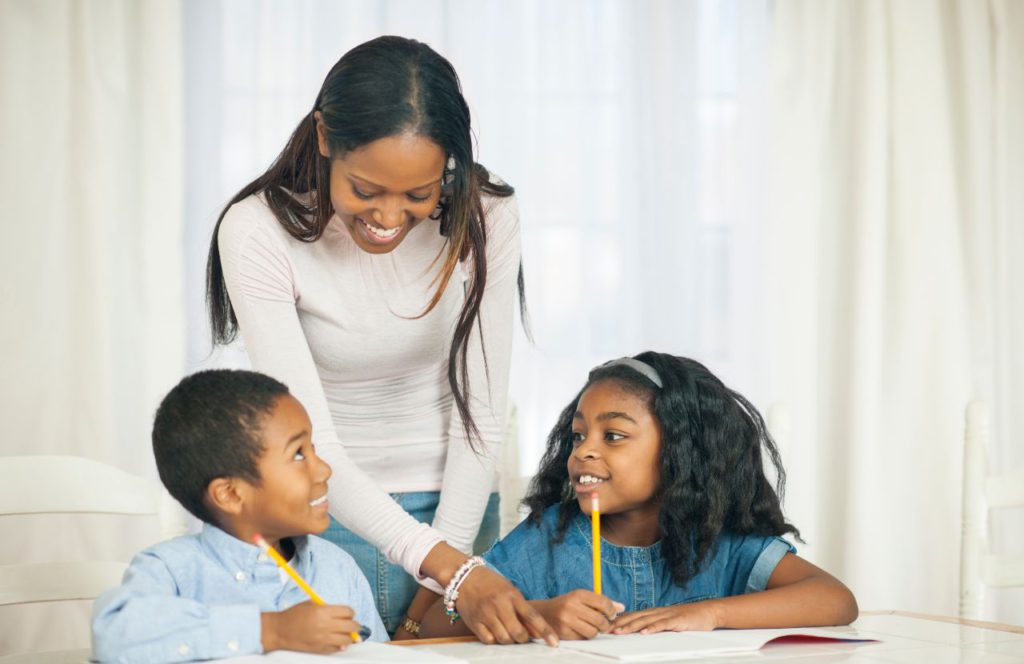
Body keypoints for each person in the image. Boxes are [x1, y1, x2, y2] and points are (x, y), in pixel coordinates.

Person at [206, 36, 554, 644]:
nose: (390, 217)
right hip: (314, 519)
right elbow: (310, 443)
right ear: (323, 137)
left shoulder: (486, 211)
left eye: (418, 195)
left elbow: (482, 412)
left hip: (458, 510)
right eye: (366, 190)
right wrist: (447, 566)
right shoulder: (257, 231)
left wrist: (446, 567)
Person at [421, 352, 858, 640]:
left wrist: (709, 613)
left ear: (680, 452)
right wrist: (539, 616)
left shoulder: (723, 542)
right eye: (577, 436)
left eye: (613, 435)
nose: (584, 450)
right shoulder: (546, 538)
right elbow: (434, 627)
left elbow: (836, 599)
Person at [92, 370, 387, 662]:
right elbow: (115, 634)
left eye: (313, 449)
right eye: (298, 454)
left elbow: (380, 656)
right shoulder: (172, 569)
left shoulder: (338, 568)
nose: (324, 469)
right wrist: (271, 630)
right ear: (230, 494)